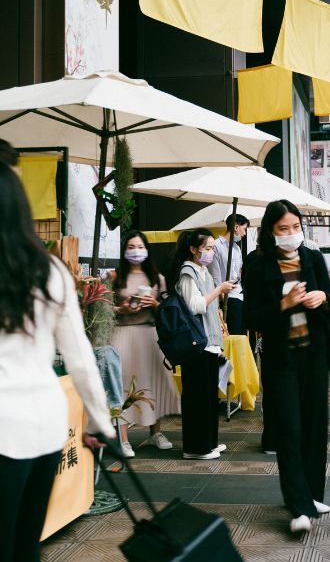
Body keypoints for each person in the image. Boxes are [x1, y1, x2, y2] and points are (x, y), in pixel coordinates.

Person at [0, 139, 115, 561]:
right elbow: (80, 357)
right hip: (46, 426)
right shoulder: (49, 270)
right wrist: (101, 421)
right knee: (25, 544)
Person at [243, 200, 330, 533]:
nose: (291, 234)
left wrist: (322, 298)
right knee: (290, 429)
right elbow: (250, 317)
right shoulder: (257, 267)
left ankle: (311, 494)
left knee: (314, 425)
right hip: (281, 358)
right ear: (270, 231)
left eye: (296, 227)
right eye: (284, 229)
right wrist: (284, 303)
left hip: (314, 354)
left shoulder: (312, 258)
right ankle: (297, 505)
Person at [168, 229, 235, 460]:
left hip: (209, 342)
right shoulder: (187, 273)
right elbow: (195, 305)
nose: (210, 253)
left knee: (208, 397)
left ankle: (209, 443)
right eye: (207, 248)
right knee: (197, 397)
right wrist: (219, 290)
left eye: (212, 249)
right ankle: (195, 447)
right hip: (196, 343)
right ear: (193, 249)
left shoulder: (203, 271)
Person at [112, 230, 180, 458]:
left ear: (147, 250)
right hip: (122, 334)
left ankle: (156, 432)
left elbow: (167, 310)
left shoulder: (157, 278)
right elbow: (102, 308)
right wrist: (121, 309)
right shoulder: (114, 277)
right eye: (131, 247)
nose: (136, 251)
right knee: (122, 385)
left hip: (150, 335)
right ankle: (123, 438)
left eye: (140, 247)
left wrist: (154, 304)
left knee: (153, 382)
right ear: (124, 251)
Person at [209, 213, 248, 335]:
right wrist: (220, 301)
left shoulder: (236, 248)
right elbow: (215, 276)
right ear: (236, 227)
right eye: (244, 229)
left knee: (242, 334)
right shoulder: (216, 246)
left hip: (239, 295)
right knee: (233, 334)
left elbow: (238, 273)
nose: (245, 234)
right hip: (227, 298)